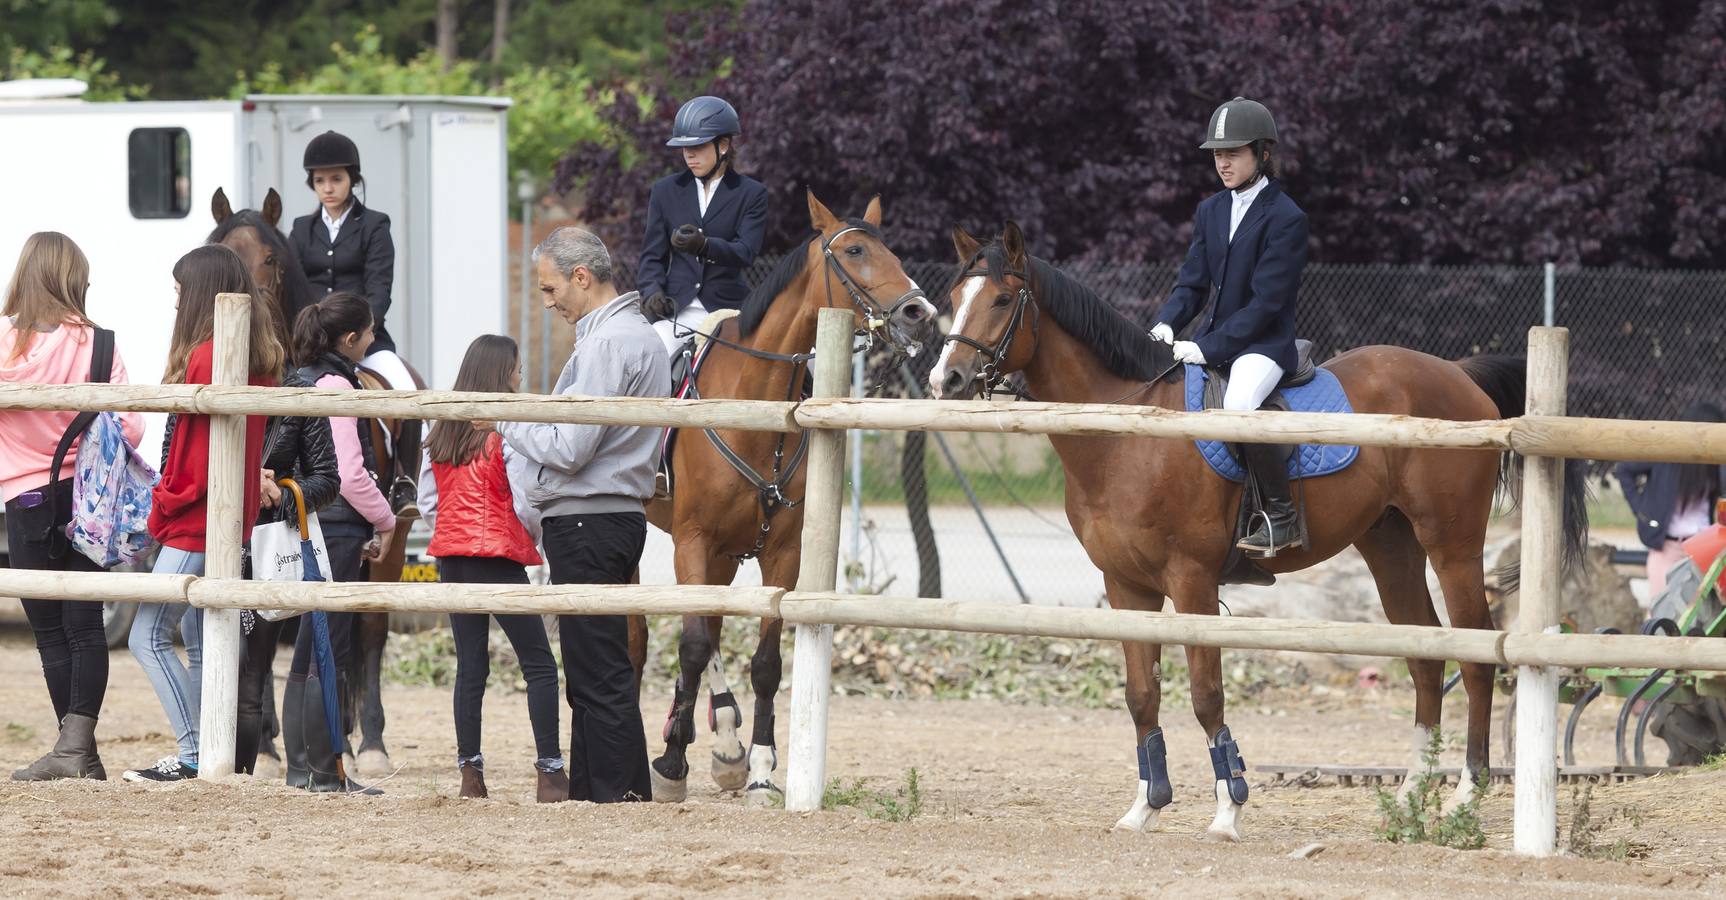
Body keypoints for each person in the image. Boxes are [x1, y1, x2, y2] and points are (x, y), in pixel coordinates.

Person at [498, 227, 670, 802]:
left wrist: (506, 420)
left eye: (550, 290)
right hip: (612, 516)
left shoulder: (605, 344)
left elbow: (571, 448)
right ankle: (602, 791)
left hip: (587, 519)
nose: (548, 304)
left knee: (597, 671)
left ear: (581, 276)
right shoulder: (636, 336)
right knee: (598, 665)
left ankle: (616, 793)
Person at [125, 245, 284, 783]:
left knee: (146, 634)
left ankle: (193, 751)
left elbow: (192, 460)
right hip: (228, 514)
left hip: (196, 516)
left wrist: (163, 499)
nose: (174, 303)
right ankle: (208, 751)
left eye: (178, 292)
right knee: (198, 639)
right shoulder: (261, 355)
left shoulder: (206, 356)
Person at [3, 232, 146, 782]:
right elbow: (130, 424)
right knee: (85, 623)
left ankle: (74, 751)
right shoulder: (99, 343)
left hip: (24, 497)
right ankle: (78, 748)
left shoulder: (3, 343)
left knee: (47, 631)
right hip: (88, 499)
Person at [1150, 96, 1310, 557]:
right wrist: (1165, 324)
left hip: (1263, 346)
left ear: (1262, 153)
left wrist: (1207, 346)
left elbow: (1266, 303)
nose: (1223, 162)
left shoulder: (1286, 217)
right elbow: (1192, 284)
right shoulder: (1211, 210)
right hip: (1216, 341)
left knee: (1239, 402)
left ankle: (1281, 518)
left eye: (1233, 153)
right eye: (1218, 154)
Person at [418, 334, 564, 802]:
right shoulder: (507, 431)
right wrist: (529, 537)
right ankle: (549, 772)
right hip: (498, 557)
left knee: (470, 668)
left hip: (452, 559)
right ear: (502, 374)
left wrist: (454, 530)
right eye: (517, 369)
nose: (521, 378)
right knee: (539, 664)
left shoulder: (441, 429)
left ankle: (470, 773)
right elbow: (525, 502)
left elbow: (428, 503)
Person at [283, 292, 394, 793]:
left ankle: (299, 768)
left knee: (308, 645)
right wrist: (387, 520)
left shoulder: (299, 377)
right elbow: (349, 473)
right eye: (369, 334)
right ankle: (326, 771)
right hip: (340, 526)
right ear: (350, 339)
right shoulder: (336, 386)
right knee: (329, 649)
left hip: (305, 522)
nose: (372, 341)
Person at [287, 130, 421, 517]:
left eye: (336, 179)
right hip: (314, 342)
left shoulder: (375, 225)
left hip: (363, 337)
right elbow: (297, 288)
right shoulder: (300, 229)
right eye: (320, 181)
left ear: (352, 179)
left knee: (405, 388)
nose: (328, 188)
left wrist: (360, 330)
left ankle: (403, 482)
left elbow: (380, 286)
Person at [234, 302, 341, 780]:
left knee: (252, 672)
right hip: (212, 537)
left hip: (264, 544)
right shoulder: (211, 380)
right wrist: (241, 477)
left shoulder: (300, 394)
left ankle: (240, 770)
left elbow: (329, 480)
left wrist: (282, 492)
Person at [636, 96, 769, 356]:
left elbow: (746, 252)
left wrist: (705, 246)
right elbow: (652, 256)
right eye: (684, 148)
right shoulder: (665, 191)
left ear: (723, 145)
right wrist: (652, 291)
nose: (689, 155)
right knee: (652, 355)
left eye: (697, 146)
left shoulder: (752, 194)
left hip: (729, 310)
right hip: (678, 311)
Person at [1617, 401, 1726, 596]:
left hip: (1703, 546)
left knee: (1702, 615)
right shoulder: (1666, 454)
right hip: (1666, 548)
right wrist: (1641, 510)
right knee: (1660, 611)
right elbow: (1624, 469)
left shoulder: (1715, 466)